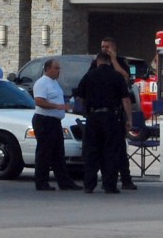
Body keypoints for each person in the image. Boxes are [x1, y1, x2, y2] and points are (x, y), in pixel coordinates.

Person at [75, 52, 132, 193]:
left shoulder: (89, 76)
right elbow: (125, 100)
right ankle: (109, 185)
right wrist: (129, 119)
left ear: (98, 61)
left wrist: (87, 107)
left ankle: (89, 185)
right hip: (111, 117)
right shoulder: (116, 76)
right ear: (109, 62)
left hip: (93, 117)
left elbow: (80, 97)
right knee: (110, 151)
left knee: (91, 151)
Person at [95, 37, 139, 191]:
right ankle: (106, 179)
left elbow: (125, 77)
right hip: (100, 112)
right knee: (101, 148)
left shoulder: (121, 61)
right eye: (102, 46)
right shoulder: (97, 62)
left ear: (114, 47)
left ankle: (126, 179)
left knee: (119, 148)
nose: (104, 49)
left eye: (107, 46)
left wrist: (113, 60)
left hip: (117, 112)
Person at [31, 59, 81, 191]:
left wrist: (65, 106)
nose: (59, 71)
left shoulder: (54, 83)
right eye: (56, 68)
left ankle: (65, 182)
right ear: (48, 69)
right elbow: (39, 101)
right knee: (44, 152)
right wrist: (57, 106)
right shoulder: (42, 83)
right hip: (44, 120)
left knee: (58, 153)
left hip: (55, 121)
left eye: (59, 68)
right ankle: (41, 182)